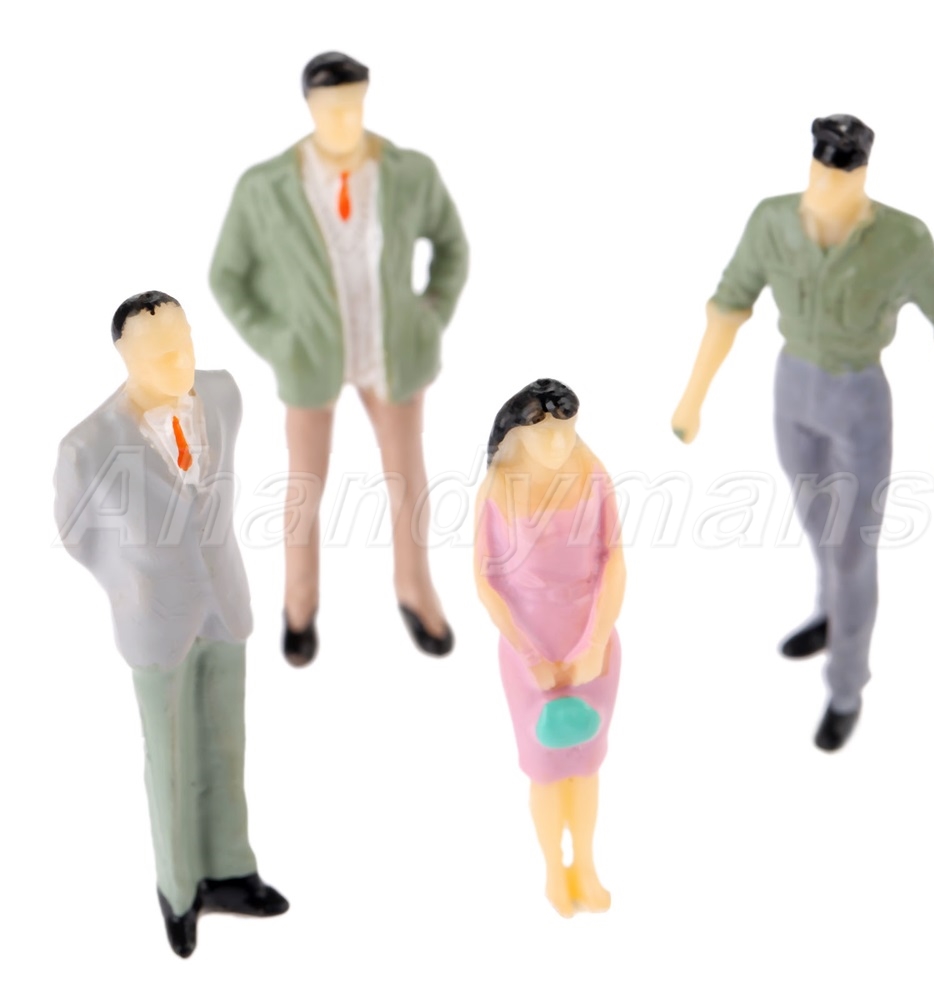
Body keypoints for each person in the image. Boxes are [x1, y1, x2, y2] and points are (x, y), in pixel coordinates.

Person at [672, 115, 934, 752]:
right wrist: (693, 396)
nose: (827, 182)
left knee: (853, 548)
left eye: (841, 173)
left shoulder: (904, 239)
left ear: (861, 172)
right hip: (793, 390)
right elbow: (729, 303)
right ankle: (830, 614)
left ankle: (846, 687)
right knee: (817, 524)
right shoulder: (773, 220)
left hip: (858, 399)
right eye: (820, 169)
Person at [210, 51, 469, 666]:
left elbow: (452, 247)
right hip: (310, 360)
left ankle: (415, 588)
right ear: (309, 107)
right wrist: (276, 341)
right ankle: (298, 604)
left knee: (407, 478)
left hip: (392, 355)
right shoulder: (266, 186)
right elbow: (227, 275)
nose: (344, 119)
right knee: (305, 485)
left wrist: (428, 317)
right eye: (331, 108)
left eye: (354, 105)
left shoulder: (409, 172)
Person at [54, 291, 288, 958]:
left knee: (225, 742)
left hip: (224, 599)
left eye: (185, 341)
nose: (180, 360)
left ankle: (231, 868)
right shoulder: (87, 446)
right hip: (155, 620)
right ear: (125, 358)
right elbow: (75, 534)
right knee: (170, 756)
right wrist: (132, 581)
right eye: (159, 354)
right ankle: (179, 890)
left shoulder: (224, 394)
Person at [474, 380, 626, 917]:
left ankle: (585, 862)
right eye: (546, 433)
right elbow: (487, 582)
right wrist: (530, 656)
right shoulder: (498, 491)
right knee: (546, 765)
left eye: (568, 430)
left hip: (592, 643)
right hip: (530, 648)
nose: (560, 443)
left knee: (586, 762)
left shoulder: (592, 475)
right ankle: (553, 870)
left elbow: (614, 560)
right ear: (516, 434)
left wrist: (595, 641)